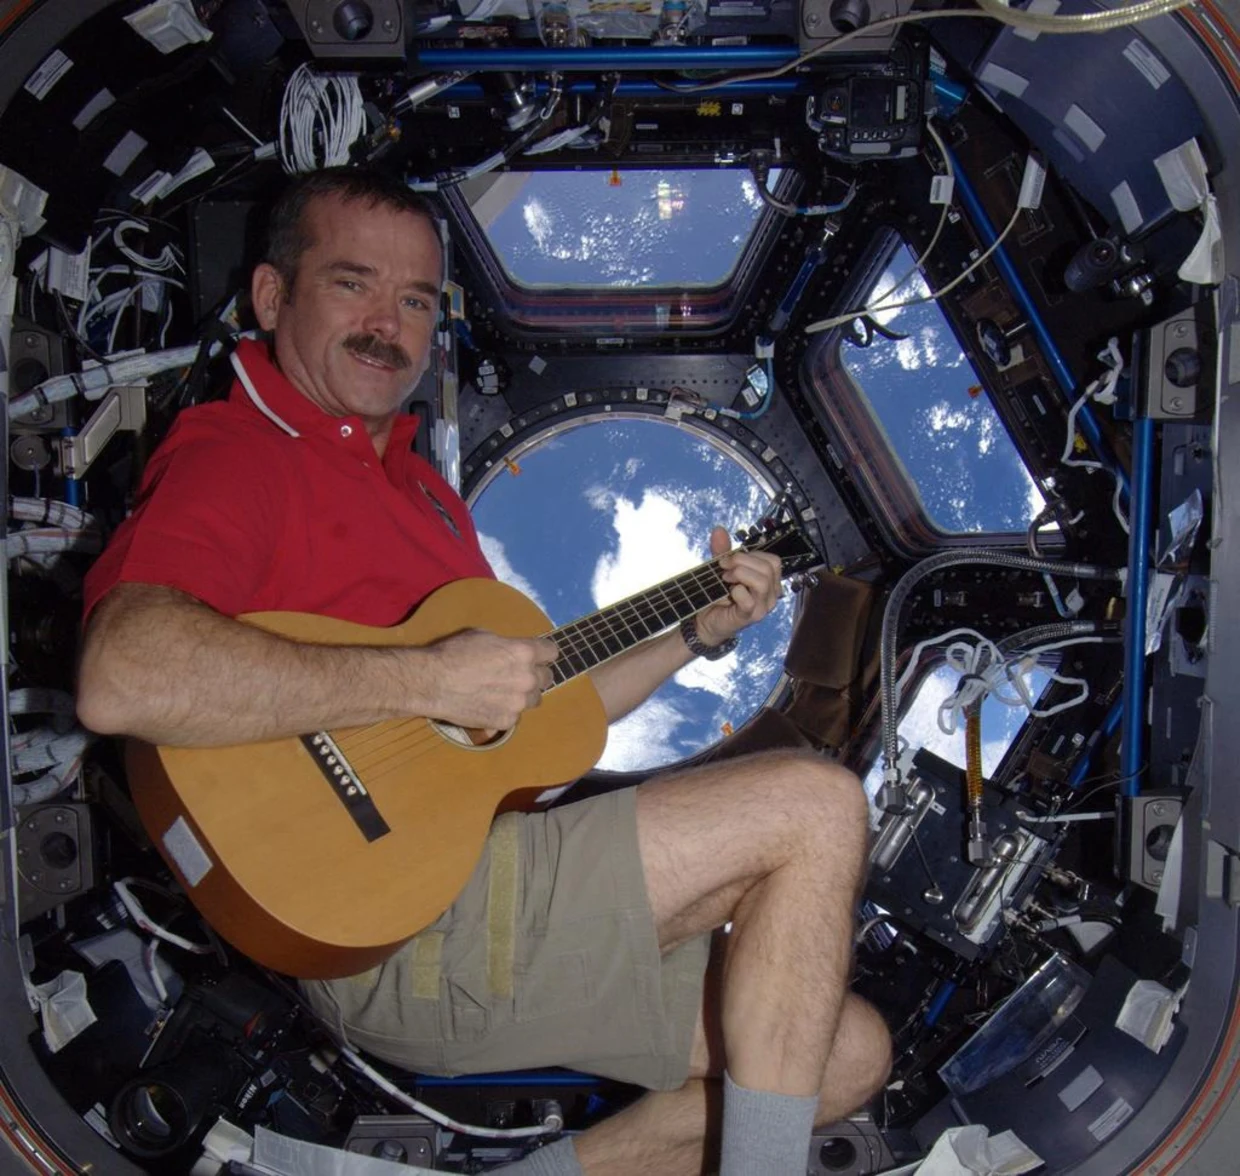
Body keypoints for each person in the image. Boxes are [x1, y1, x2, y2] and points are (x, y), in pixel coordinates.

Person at [76, 166, 890, 1175]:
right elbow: (123, 672)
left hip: (465, 894)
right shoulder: (244, 451)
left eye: (417, 301)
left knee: (846, 1054)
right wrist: (424, 681)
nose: (388, 324)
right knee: (816, 806)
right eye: (353, 283)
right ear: (272, 296)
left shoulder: (425, 497)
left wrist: (697, 633)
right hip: (380, 910)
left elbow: (541, 717)